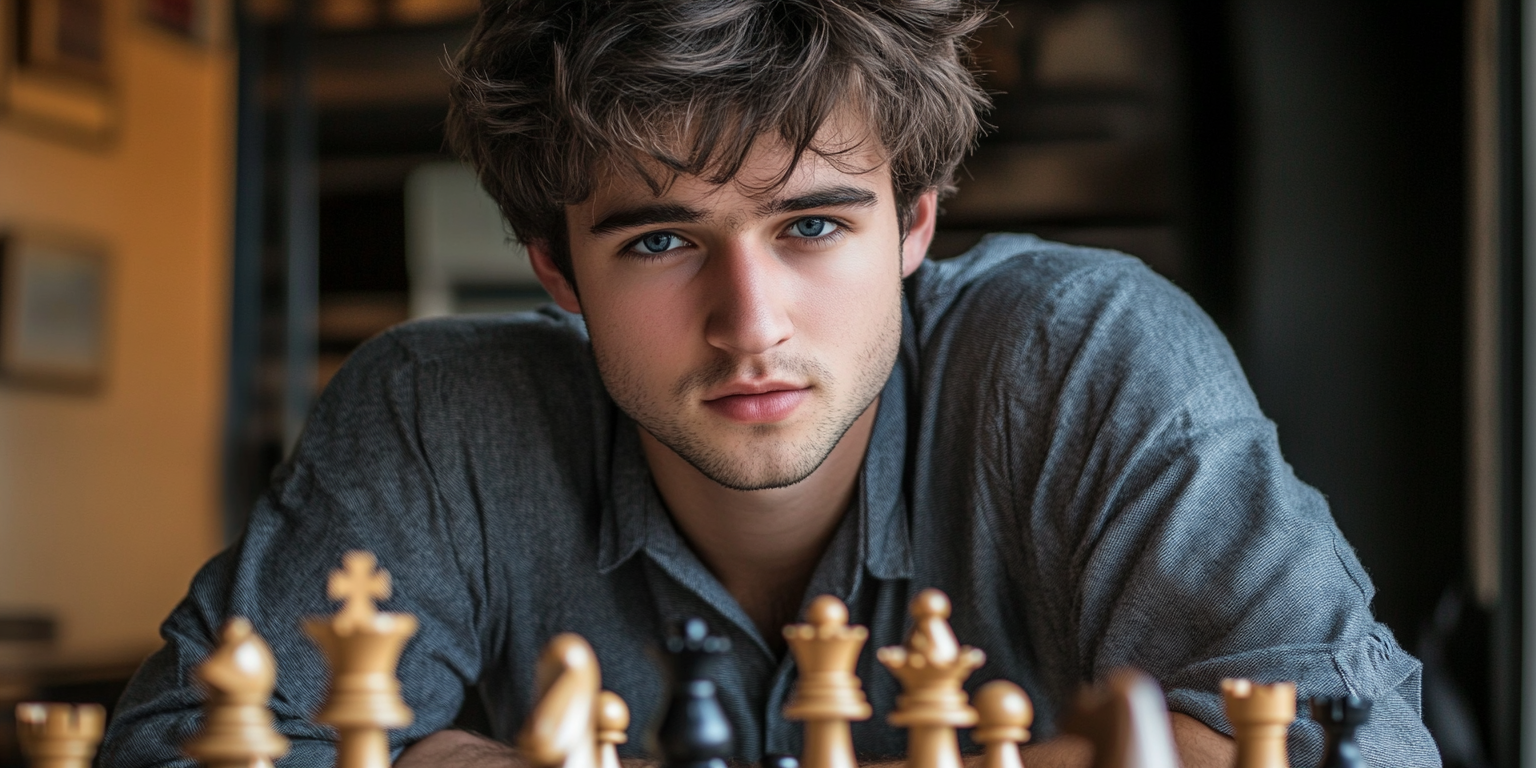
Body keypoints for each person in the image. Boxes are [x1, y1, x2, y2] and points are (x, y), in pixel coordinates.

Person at [100, 1, 1440, 767]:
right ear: (554, 271)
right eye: (661, 240)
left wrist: (441, 754)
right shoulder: (436, 417)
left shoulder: (1077, 359)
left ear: (916, 223)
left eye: (812, 225)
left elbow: (1360, 749)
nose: (749, 324)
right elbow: (176, 750)